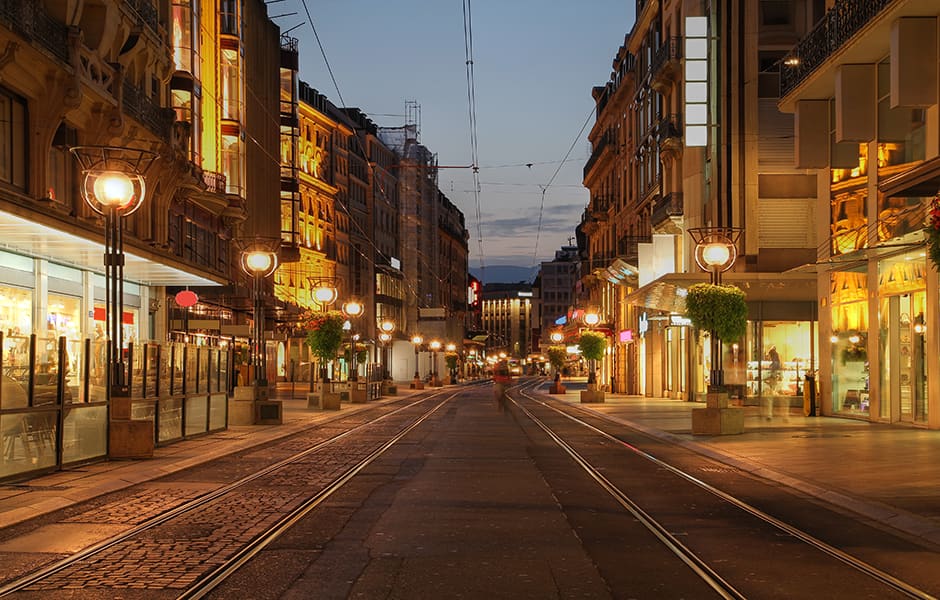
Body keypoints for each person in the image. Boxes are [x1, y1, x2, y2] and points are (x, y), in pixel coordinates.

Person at [764, 345, 783, 421]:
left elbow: (773, 376)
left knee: (770, 399)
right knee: (771, 399)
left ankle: (770, 415)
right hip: (774, 383)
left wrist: (766, 379)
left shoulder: (774, 364)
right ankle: (771, 414)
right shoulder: (776, 363)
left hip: (773, 383)